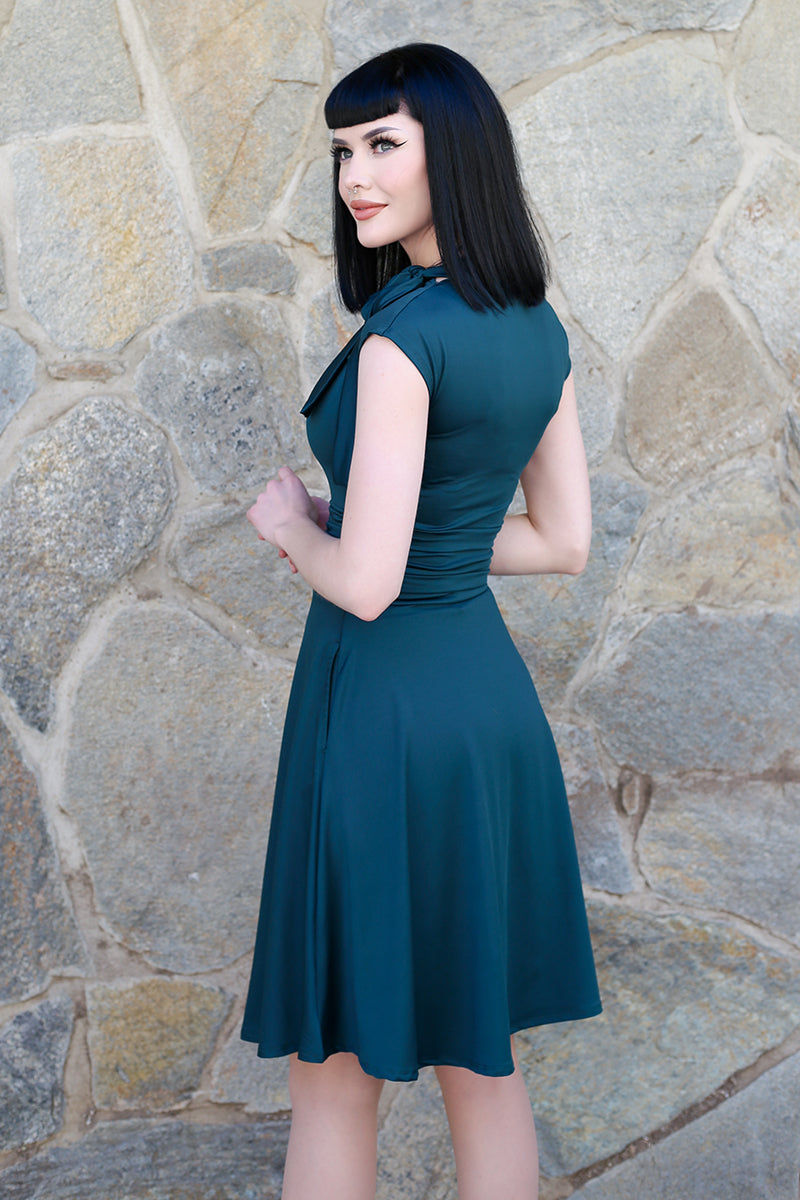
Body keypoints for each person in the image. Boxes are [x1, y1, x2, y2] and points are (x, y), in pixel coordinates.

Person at [243, 42, 601, 1200]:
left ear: (456, 151)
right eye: (344, 149)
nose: (355, 173)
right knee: (478, 1061)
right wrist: (412, 541)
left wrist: (292, 521)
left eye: (382, 143)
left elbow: (362, 583)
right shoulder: (534, 325)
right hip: (484, 714)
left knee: (336, 1077)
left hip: (385, 717)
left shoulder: (403, 341)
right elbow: (559, 542)